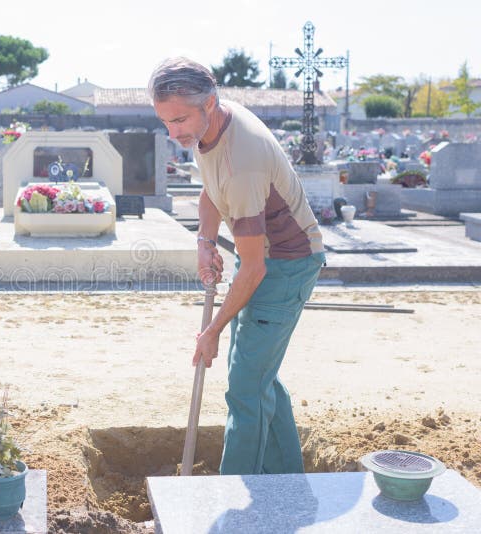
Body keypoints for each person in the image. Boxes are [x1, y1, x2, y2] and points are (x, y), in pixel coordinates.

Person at [149, 57, 325, 475]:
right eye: (166, 123)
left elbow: (254, 270)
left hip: (287, 265)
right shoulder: (211, 127)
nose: (174, 133)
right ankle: (285, 480)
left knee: (246, 387)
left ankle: (234, 494)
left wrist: (212, 330)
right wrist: (205, 242)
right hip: (265, 259)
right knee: (257, 373)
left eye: (179, 120)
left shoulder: (242, 160)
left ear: (209, 102)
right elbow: (211, 192)